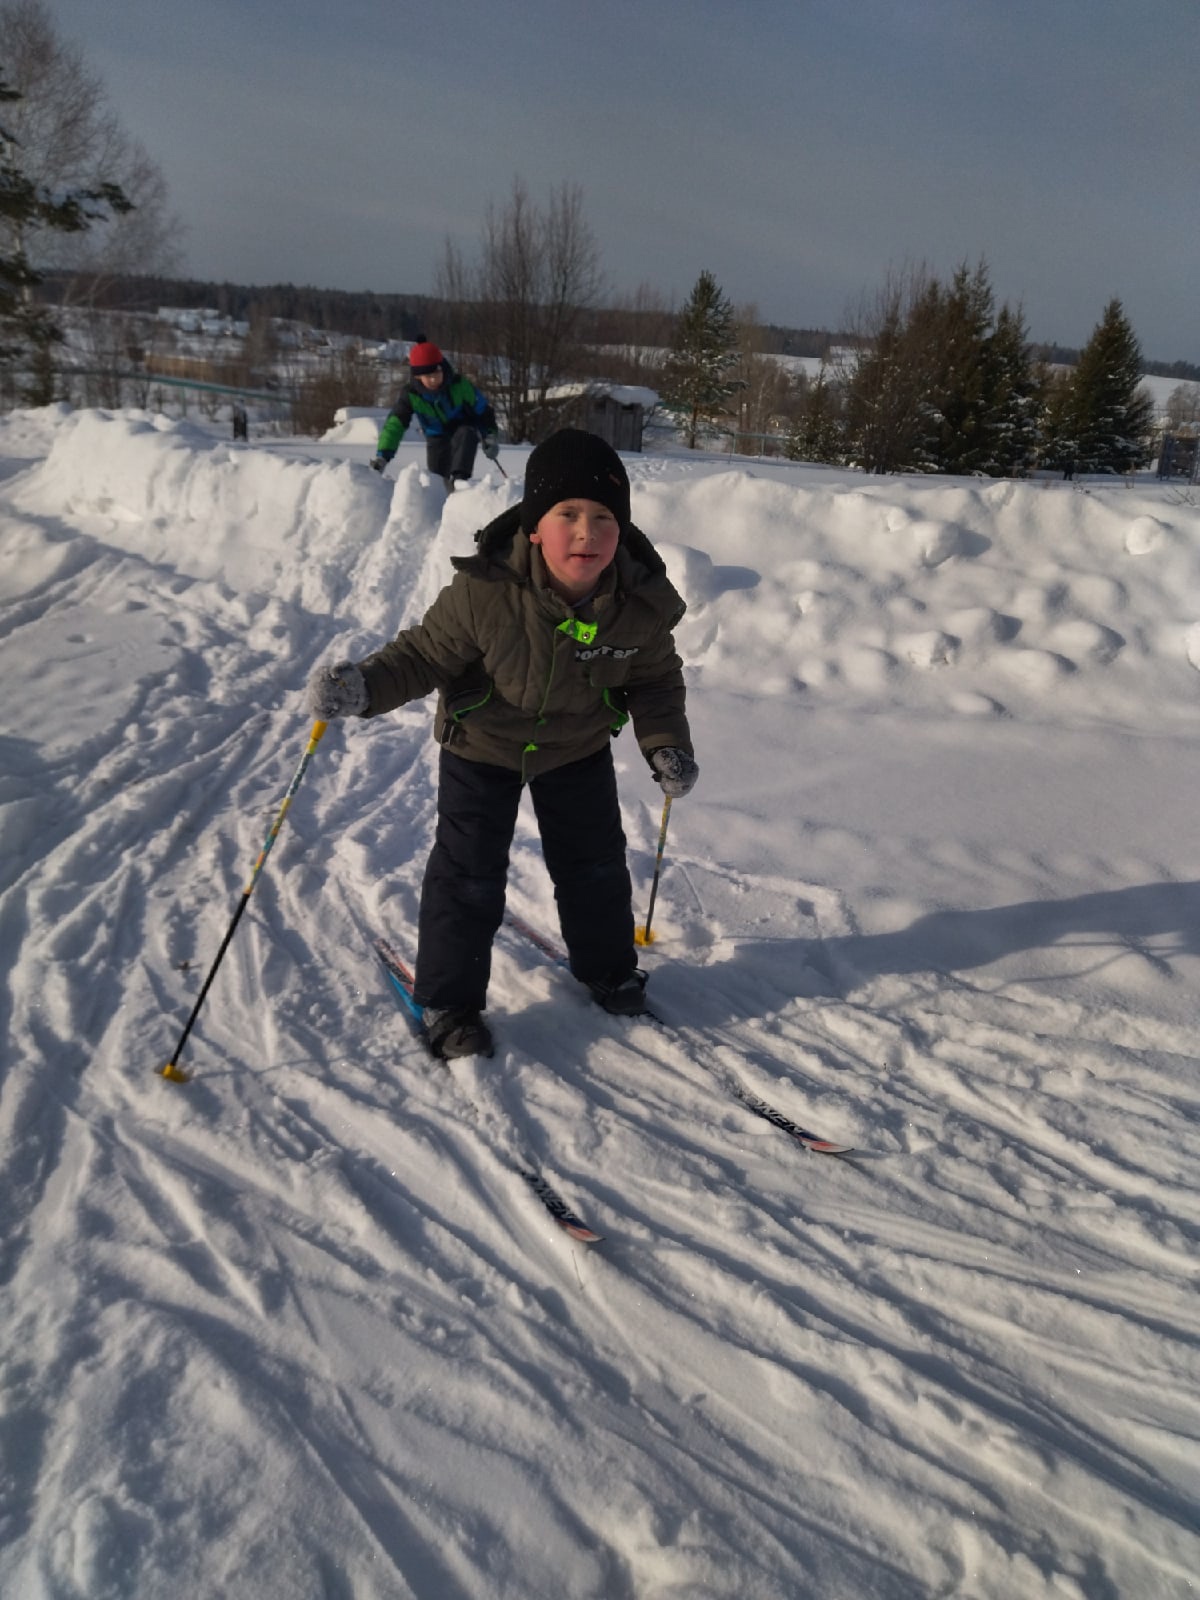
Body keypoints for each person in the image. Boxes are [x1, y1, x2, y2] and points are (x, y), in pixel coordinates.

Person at [309, 428, 699, 1060]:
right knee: (467, 872)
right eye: (567, 514)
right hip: (481, 744)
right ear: (534, 526)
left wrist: (665, 745)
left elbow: (654, 680)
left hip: (575, 746)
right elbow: (421, 655)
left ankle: (607, 967)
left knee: (596, 862)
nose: (587, 532)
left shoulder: (638, 607)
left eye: (604, 518)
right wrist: (363, 688)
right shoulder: (486, 592)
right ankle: (450, 1001)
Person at [371, 336, 500, 491]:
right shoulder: (411, 395)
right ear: (418, 376)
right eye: (428, 376)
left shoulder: (459, 385)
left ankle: (460, 482)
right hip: (436, 436)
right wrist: (382, 456)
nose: (434, 379)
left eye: (437, 373)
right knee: (437, 482)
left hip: (462, 430)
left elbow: (483, 411)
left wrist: (490, 436)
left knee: (466, 433)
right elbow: (395, 425)